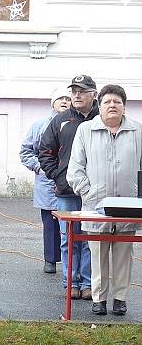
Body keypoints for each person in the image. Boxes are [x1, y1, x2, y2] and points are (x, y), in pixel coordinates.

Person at [67, 85, 142, 316]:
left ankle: (120, 299)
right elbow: (75, 169)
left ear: (124, 107)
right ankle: (98, 299)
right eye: (108, 101)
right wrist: (88, 192)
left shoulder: (138, 131)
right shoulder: (85, 130)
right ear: (100, 104)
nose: (112, 106)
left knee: (123, 256)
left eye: (117, 102)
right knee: (97, 254)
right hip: (96, 207)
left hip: (128, 208)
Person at [39, 75, 99, 300]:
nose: (76, 95)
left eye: (82, 91)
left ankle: (88, 283)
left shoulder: (101, 119)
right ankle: (70, 282)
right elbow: (45, 151)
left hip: (95, 192)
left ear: (94, 94)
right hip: (66, 191)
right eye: (74, 91)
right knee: (69, 238)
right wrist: (58, 176)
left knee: (90, 238)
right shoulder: (60, 120)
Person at [20, 87, 71, 273]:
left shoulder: (79, 124)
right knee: (50, 223)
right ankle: (50, 259)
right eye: (60, 99)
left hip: (70, 182)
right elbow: (25, 152)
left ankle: (71, 263)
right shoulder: (39, 125)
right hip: (47, 182)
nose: (64, 101)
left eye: (68, 98)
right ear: (53, 103)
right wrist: (39, 167)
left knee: (71, 222)